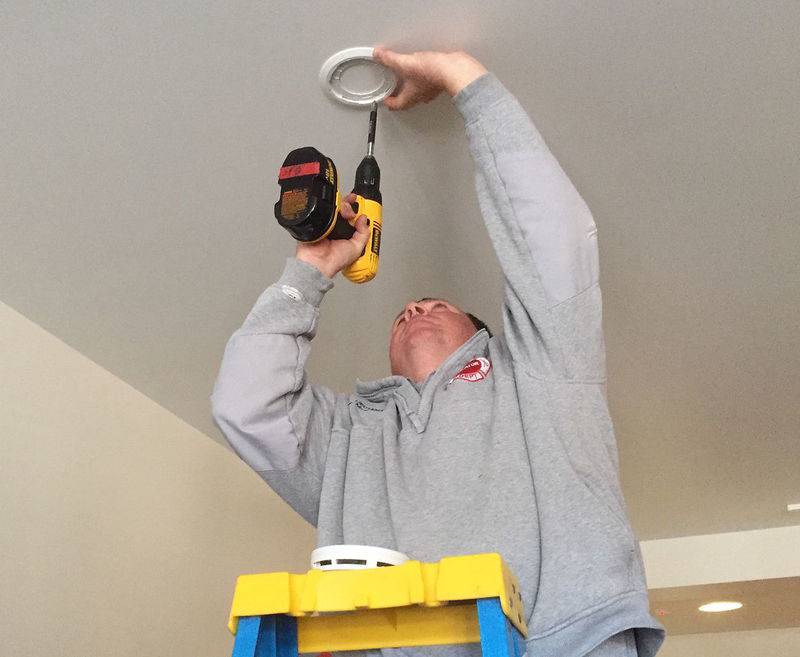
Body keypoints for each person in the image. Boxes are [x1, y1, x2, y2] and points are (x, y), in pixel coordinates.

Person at [211, 47, 665, 657]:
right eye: (404, 313)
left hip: (567, 641)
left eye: (436, 306)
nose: (413, 311)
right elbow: (247, 407)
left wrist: (463, 77)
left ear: (483, 337)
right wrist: (311, 270)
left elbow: (554, 241)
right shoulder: (351, 439)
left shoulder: (541, 371)